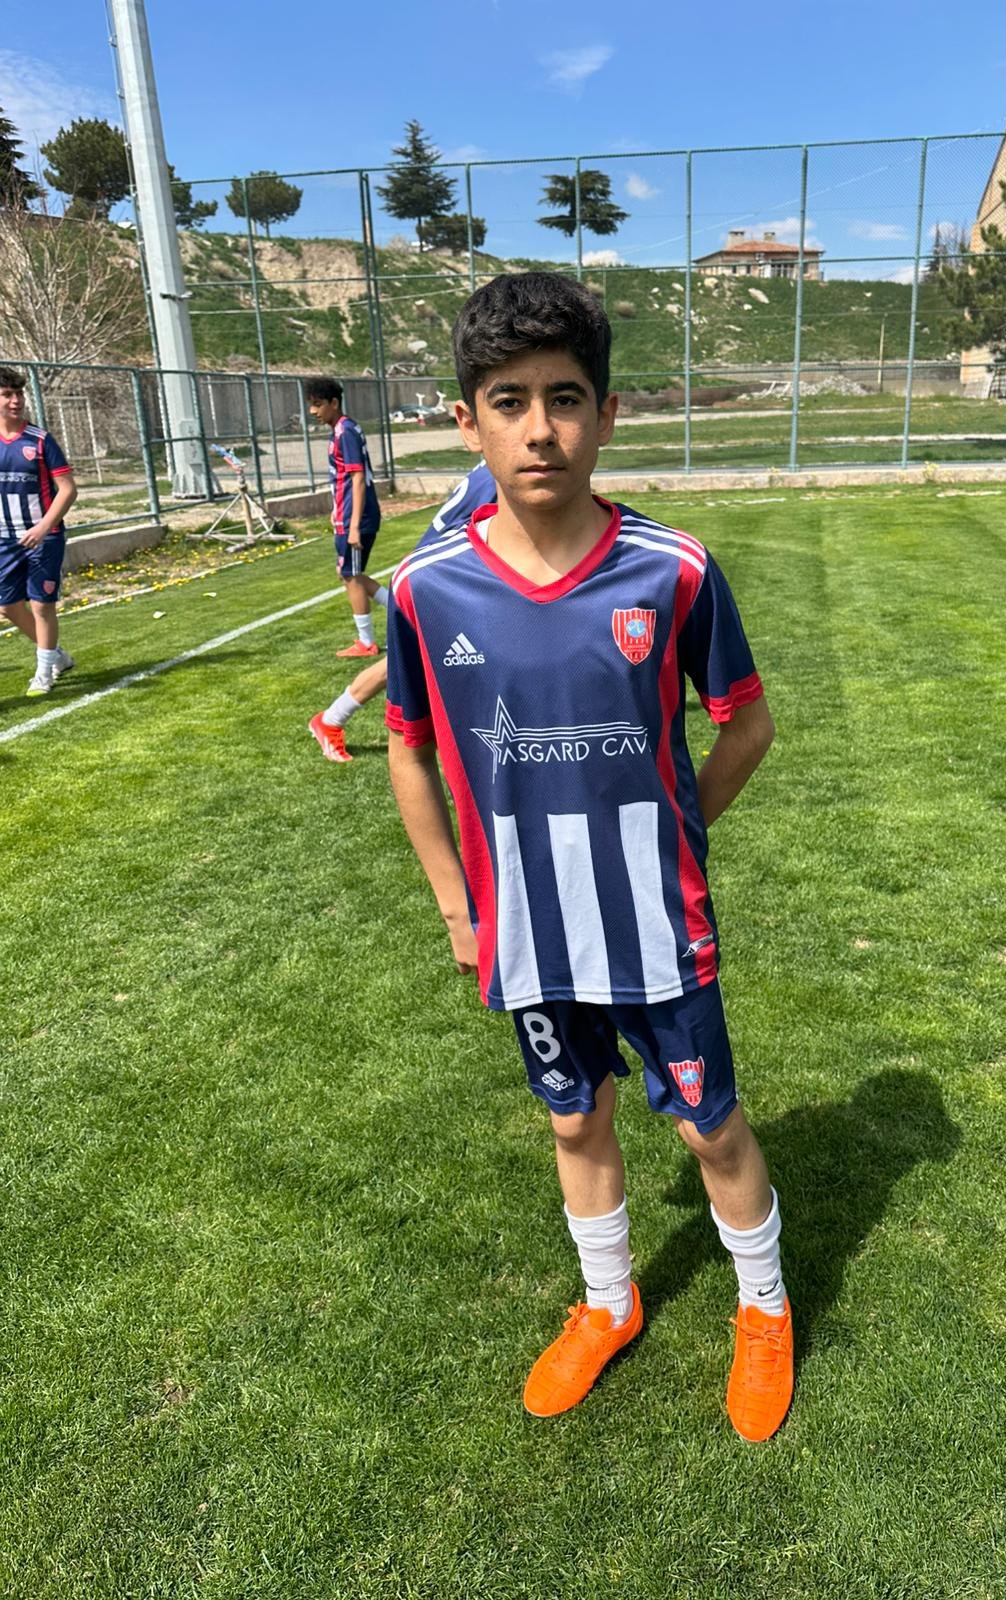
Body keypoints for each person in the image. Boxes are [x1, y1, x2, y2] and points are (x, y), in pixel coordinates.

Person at [385, 273, 791, 1441]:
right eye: (508, 401)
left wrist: (677, 831)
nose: (540, 429)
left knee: (710, 1125)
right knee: (575, 1121)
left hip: (656, 918)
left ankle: (764, 1307)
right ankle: (610, 1301)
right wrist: (460, 910)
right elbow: (408, 750)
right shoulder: (426, 589)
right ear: (466, 423)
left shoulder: (673, 569)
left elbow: (748, 725)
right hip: (526, 925)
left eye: (565, 398)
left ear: (607, 414)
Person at [308, 464, 497, 763]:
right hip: (446, 579)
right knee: (420, 662)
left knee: (416, 662)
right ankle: (331, 719)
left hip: (441, 573)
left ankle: (331, 719)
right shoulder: (508, 471)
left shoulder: (491, 467)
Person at [0, 366, 77, 697]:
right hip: (4, 538)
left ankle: (44, 671)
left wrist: (44, 527)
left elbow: (68, 489)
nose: (16, 401)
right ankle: (56, 653)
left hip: (44, 538)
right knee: (7, 606)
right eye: (7, 395)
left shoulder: (40, 440)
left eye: (19, 394)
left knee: (41, 606)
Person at [304, 376, 387, 657]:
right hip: (346, 516)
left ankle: (367, 642)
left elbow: (358, 479)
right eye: (311, 405)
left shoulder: (345, 432)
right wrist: (336, 511)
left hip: (356, 519)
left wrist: (353, 527)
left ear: (334, 403)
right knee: (349, 574)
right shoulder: (341, 430)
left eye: (318, 405)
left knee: (351, 576)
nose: (313, 411)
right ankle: (402, 612)